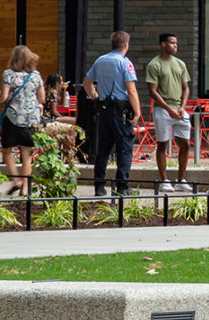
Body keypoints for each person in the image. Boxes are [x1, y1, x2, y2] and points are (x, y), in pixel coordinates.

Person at [83, 31, 144, 198]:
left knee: (103, 148)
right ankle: (122, 186)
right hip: (121, 110)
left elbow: (86, 82)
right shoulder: (125, 62)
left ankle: (99, 186)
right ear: (126, 46)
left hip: (104, 109)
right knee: (124, 147)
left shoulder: (100, 60)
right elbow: (131, 90)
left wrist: (95, 96)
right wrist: (137, 112)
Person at [146, 32, 194, 191]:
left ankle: (181, 180)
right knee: (162, 144)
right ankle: (164, 180)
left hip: (179, 109)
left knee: (185, 144)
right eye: (172, 43)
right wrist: (168, 108)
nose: (175, 46)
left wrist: (182, 107)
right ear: (163, 44)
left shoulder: (180, 64)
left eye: (176, 43)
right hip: (162, 110)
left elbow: (186, 88)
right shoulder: (154, 64)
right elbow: (153, 91)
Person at [0, 44, 44, 196]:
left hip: (13, 117)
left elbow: (3, 97)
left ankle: (15, 180)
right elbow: (42, 98)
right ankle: (24, 188)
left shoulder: (8, 74)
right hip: (31, 119)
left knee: (7, 151)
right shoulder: (36, 75)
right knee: (27, 155)